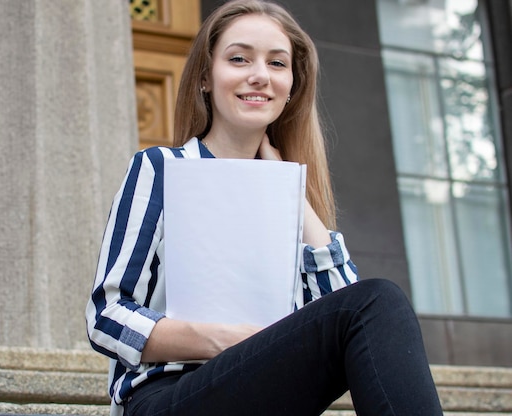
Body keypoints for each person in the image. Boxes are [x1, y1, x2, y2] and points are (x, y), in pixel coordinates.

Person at [86, 1, 443, 415]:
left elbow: (350, 319)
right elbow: (105, 316)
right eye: (238, 59)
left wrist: (294, 193)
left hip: (259, 392)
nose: (259, 75)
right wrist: (224, 340)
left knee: (380, 302)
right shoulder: (160, 169)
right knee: (378, 300)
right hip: (165, 396)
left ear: (291, 86)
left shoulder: (289, 196)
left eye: (277, 63)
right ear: (205, 76)